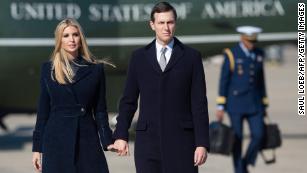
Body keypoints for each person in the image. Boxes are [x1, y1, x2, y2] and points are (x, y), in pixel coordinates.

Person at [111, 2, 210, 173]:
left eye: (170, 22)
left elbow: (199, 104)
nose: (166, 27)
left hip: (183, 143)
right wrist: (120, 134)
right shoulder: (139, 58)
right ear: (152, 25)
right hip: (148, 145)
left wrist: (202, 143)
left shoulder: (191, 57)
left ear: (175, 23)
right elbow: (128, 101)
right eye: (161, 23)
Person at [32, 18, 114, 173]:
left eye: (75, 35)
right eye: (66, 35)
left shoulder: (95, 69)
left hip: (87, 141)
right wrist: (37, 149)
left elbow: (100, 110)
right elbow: (43, 112)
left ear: (81, 37)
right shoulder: (48, 69)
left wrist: (107, 140)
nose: (71, 39)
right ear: (59, 40)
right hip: (56, 143)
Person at [216, 26, 269, 173]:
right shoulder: (231, 54)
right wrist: (220, 105)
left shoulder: (259, 54)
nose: (251, 44)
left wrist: (265, 104)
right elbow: (223, 81)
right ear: (242, 39)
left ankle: (245, 162)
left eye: (253, 41)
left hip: (255, 104)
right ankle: (239, 170)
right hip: (235, 104)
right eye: (249, 41)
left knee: (259, 135)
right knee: (237, 139)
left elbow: (261, 81)